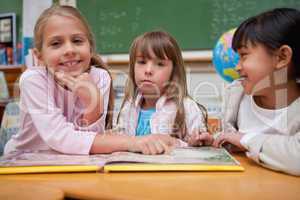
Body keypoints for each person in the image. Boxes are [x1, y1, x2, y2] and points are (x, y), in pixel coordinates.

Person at [4, 5, 176, 155]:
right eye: (56, 44)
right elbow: (61, 138)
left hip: (66, 162)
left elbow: (89, 146)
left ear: (90, 47)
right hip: (24, 161)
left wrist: (92, 102)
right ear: (39, 56)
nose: (69, 49)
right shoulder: (33, 80)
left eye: (77, 40)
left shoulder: (100, 78)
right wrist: (131, 142)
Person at [189, 8, 300, 175]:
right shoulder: (237, 96)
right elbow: (235, 140)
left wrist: (246, 140)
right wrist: (217, 141)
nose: (237, 66)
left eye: (244, 56)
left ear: (282, 57)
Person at [117, 31, 208, 149]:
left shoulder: (187, 108)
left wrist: (191, 142)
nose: (148, 70)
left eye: (160, 64)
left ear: (173, 72)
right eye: (142, 62)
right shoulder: (128, 107)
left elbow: (200, 151)